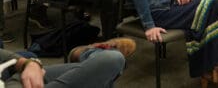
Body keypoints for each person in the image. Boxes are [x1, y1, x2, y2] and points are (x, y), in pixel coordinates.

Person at [1, 38, 135, 88]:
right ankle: (90, 52)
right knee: (107, 67)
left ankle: (89, 52)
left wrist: (29, 64)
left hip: (13, 78)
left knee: (109, 62)